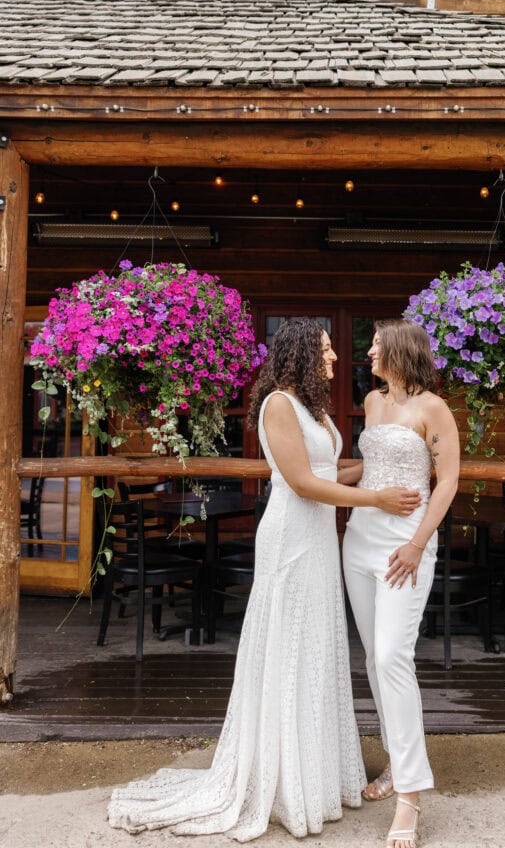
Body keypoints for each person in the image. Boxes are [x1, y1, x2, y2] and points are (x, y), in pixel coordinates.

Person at [108, 316, 420, 842]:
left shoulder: (314, 410)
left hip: (320, 538)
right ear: (300, 352)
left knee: (316, 646)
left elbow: (327, 473)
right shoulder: (278, 403)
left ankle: (314, 772)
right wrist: (376, 498)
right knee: (287, 645)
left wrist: (380, 471)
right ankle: (280, 778)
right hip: (293, 537)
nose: (335, 357)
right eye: (326, 349)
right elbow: (300, 484)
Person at [342, 318, 460, 848]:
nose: (367, 351)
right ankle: (394, 761)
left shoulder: (432, 408)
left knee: (392, 655)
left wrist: (417, 544)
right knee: (372, 658)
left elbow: (449, 479)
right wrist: (312, 476)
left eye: (374, 345)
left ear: (399, 352)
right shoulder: (370, 402)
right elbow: (369, 469)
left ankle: (410, 796)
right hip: (359, 541)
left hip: (406, 545)